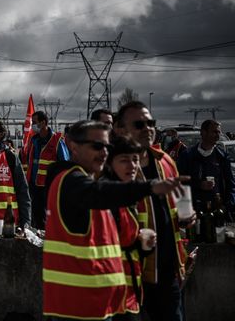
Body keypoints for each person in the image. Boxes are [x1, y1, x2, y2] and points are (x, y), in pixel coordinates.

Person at [43, 120, 186, 321]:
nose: (104, 152)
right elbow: (98, 194)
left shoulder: (91, 182)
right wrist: (149, 187)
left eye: (107, 147)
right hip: (78, 308)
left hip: (103, 304)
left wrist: (139, 243)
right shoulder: (71, 181)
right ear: (73, 146)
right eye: (97, 146)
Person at [114, 101, 191, 321]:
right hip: (130, 276)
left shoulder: (165, 160)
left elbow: (181, 202)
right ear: (120, 129)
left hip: (168, 274)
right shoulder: (112, 167)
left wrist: (188, 216)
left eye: (151, 123)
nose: (148, 128)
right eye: (139, 124)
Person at [103, 135, 155, 320]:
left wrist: (143, 245)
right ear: (109, 163)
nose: (132, 166)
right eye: (124, 160)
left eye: (135, 160)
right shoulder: (105, 196)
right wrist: (137, 243)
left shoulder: (127, 195)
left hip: (129, 292)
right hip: (110, 295)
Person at [177, 119, 235, 218]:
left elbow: (231, 185)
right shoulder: (187, 156)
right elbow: (179, 182)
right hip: (194, 211)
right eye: (214, 132)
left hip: (217, 212)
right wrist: (199, 184)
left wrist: (226, 207)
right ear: (203, 132)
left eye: (219, 132)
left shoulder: (222, 157)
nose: (218, 135)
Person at [24, 110, 69, 229]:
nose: (33, 125)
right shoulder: (34, 140)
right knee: (35, 215)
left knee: (48, 216)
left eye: (35, 122)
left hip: (49, 186)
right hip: (34, 185)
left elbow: (64, 164)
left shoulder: (57, 140)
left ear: (43, 123)